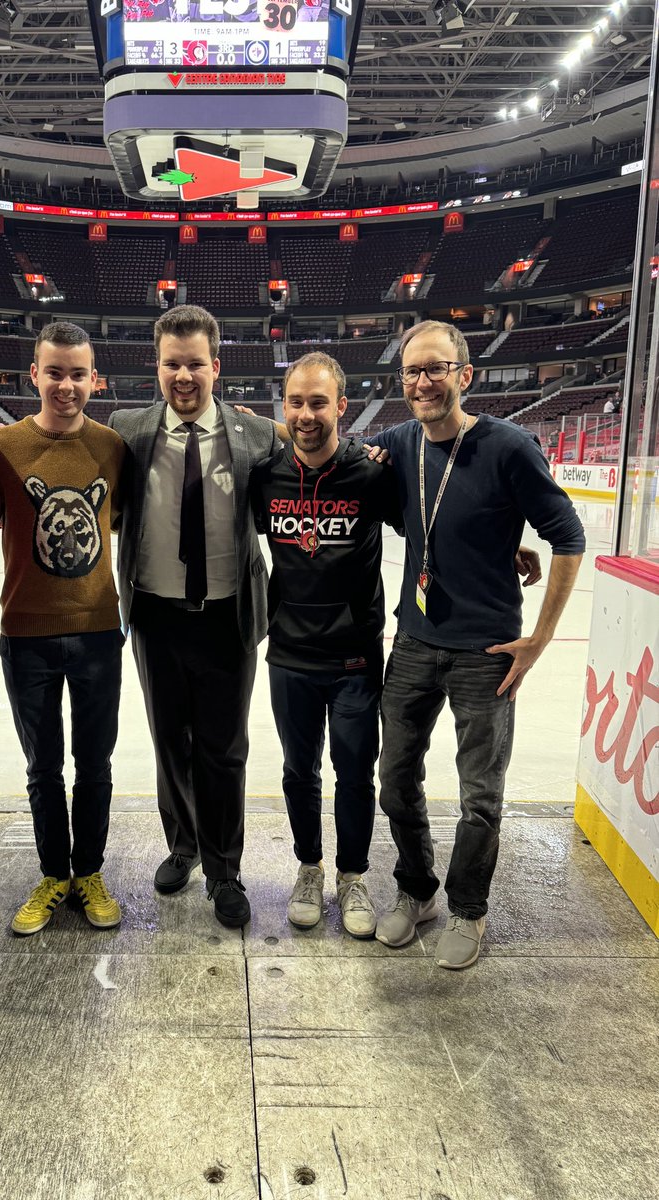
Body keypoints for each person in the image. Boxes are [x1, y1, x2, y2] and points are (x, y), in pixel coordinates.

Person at [370, 320, 585, 969]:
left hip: (486, 653)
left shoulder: (509, 446)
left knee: (480, 798)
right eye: (412, 371)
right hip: (414, 642)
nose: (423, 382)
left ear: (465, 374)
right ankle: (417, 890)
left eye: (436, 368)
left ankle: (468, 908)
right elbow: (329, 452)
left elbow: (569, 537)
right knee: (394, 780)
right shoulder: (397, 442)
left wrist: (538, 640)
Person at [107, 305, 280, 928]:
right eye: (172, 364)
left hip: (228, 616)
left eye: (195, 364)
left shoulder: (256, 436)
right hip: (155, 615)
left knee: (224, 749)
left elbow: (320, 463)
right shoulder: (126, 430)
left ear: (216, 367)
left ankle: (225, 868)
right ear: (157, 367)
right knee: (169, 742)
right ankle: (183, 845)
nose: (184, 376)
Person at [0, 322, 127, 933]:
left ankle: (88, 871)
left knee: (95, 765)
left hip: (98, 633)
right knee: (43, 769)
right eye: (55, 373)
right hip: (26, 636)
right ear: (34, 375)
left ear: (95, 380)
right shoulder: (3, 447)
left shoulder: (113, 447)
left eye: (77, 374)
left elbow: (133, 520)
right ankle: (52, 874)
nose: (66, 385)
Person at [250, 352, 403, 937]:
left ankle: (353, 875)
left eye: (318, 402)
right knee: (299, 770)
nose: (306, 414)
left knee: (356, 772)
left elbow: (427, 526)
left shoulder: (371, 472)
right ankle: (309, 867)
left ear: (341, 406)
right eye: (295, 402)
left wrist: (503, 544)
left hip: (354, 657)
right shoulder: (266, 477)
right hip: (290, 653)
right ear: (283, 406)